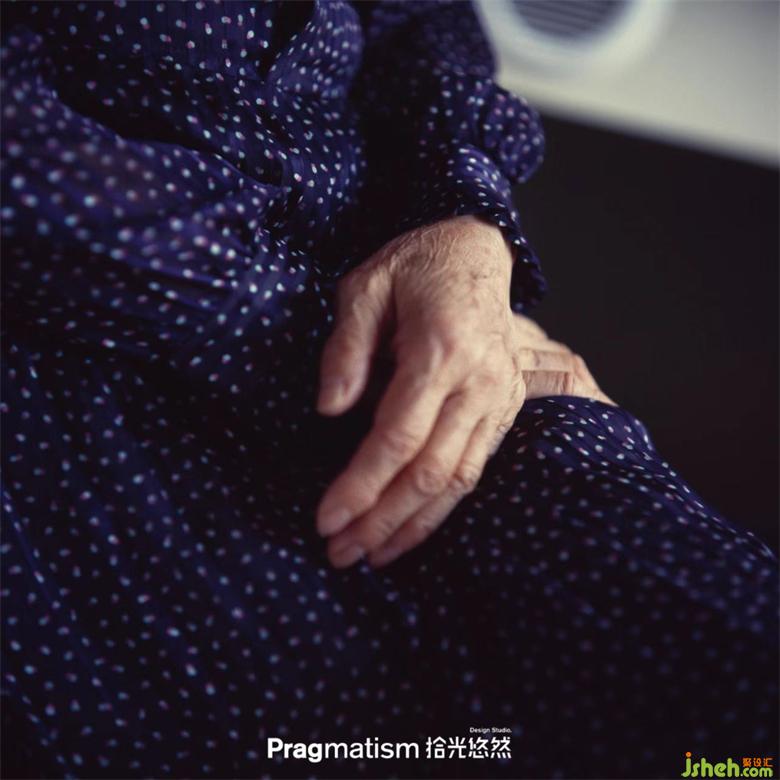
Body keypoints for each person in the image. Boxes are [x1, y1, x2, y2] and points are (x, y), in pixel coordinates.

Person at [1, 2, 776, 778]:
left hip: (440, 353)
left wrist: (467, 224)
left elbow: (424, 21)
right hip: (101, 399)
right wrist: (337, 335)